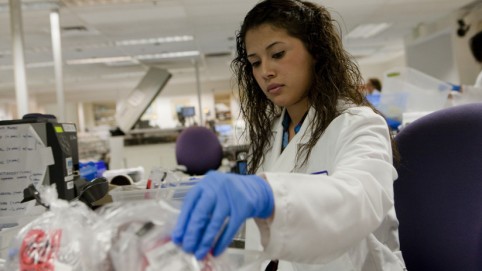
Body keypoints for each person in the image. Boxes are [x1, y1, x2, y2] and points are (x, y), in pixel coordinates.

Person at [171, 0, 405, 270]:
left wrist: (266, 194)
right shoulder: (272, 133)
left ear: (315, 51)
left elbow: (358, 201)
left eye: (278, 54)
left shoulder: (359, 124)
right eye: (255, 62)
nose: (265, 71)